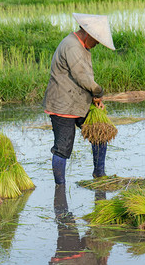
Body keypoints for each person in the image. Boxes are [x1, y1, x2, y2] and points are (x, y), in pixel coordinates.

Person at [43, 13, 116, 185]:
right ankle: (59, 187)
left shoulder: (82, 46)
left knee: (101, 132)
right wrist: (98, 92)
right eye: (97, 40)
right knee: (62, 148)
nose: (97, 44)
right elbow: (83, 77)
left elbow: (84, 79)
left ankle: (99, 174)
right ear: (89, 34)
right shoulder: (72, 46)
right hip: (63, 106)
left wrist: (94, 99)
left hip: (79, 102)